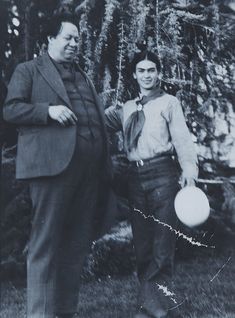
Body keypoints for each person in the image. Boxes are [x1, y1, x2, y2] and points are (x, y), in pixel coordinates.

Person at [3, 14, 116, 318]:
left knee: (75, 247)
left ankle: (65, 313)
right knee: (45, 246)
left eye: (78, 39)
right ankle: (39, 315)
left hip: (88, 173)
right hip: (52, 171)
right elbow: (11, 109)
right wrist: (47, 110)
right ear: (49, 40)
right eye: (68, 37)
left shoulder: (83, 75)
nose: (74, 43)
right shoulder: (29, 70)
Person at [105, 50, 198, 318]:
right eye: (142, 71)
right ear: (134, 75)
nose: (147, 75)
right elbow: (99, 120)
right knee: (143, 246)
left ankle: (158, 309)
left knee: (162, 245)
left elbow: (182, 139)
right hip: (135, 179)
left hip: (163, 176)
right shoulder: (127, 108)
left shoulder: (169, 103)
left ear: (159, 73)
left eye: (151, 70)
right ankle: (151, 306)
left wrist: (189, 170)